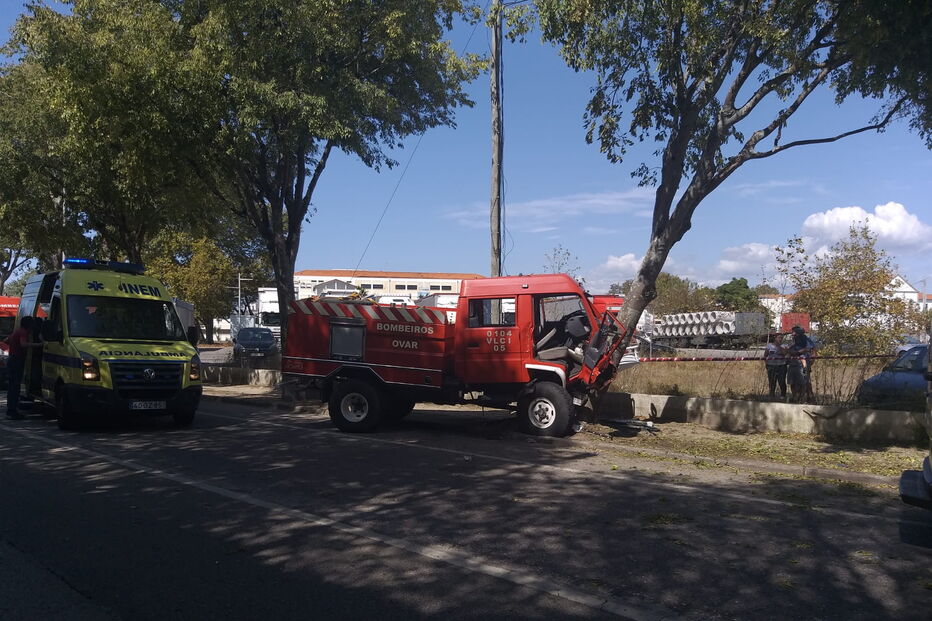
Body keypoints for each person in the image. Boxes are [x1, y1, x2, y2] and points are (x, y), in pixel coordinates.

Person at [4, 316, 42, 419]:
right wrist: (39, 345)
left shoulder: (17, 331)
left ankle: (10, 409)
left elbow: (6, 340)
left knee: (12, 386)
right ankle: (13, 411)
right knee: (15, 386)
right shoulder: (23, 332)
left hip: (12, 359)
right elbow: (23, 344)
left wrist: (13, 345)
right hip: (17, 360)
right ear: (29, 325)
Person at [791, 325, 816, 403]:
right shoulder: (795, 340)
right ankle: (796, 397)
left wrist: (812, 359)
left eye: (793, 332)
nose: (792, 334)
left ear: (798, 332)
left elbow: (810, 348)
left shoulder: (805, 339)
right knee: (795, 381)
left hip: (804, 361)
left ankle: (809, 397)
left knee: (805, 380)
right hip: (795, 363)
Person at [764, 333, 788, 401]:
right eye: (779, 338)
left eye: (781, 338)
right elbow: (765, 355)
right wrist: (767, 364)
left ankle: (783, 395)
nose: (780, 339)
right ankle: (772, 395)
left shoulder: (784, 346)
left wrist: (779, 346)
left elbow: (785, 353)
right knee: (772, 381)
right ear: (775, 338)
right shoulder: (769, 346)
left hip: (781, 366)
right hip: (771, 366)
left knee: (782, 381)